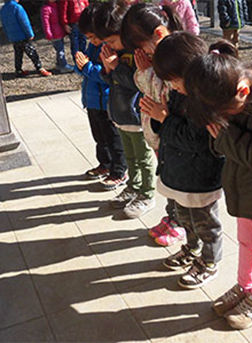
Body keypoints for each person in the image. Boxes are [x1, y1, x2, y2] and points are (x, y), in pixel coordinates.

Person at [184, 43, 252, 329]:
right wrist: (221, 136)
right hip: (244, 188)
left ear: (243, 91)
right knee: (246, 242)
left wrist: (225, 136)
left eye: (224, 114)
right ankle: (244, 287)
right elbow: (220, 139)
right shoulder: (229, 90)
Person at [140, 32, 225, 287]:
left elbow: (197, 140)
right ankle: (192, 249)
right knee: (185, 218)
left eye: (175, 81)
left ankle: (209, 262)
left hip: (199, 177)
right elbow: (169, 128)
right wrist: (159, 117)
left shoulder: (206, 99)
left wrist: (165, 118)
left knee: (205, 223)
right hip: (178, 172)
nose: (173, 87)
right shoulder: (181, 93)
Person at [121, 3, 185, 245]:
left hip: (175, 133)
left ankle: (182, 223)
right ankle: (173, 217)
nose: (143, 53)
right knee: (168, 179)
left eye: (142, 47)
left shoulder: (175, 57)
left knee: (179, 182)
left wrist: (145, 73)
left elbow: (164, 93)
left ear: (158, 34)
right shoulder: (159, 54)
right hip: (163, 133)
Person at [93, 2, 157, 219]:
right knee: (130, 157)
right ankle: (133, 186)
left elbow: (137, 82)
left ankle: (147, 194)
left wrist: (116, 66)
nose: (110, 45)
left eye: (111, 40)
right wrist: (107, 69)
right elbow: (112, 80)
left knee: (143, 158)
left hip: (137, 116)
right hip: (120, 115)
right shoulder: (117, 52)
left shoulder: (137, 53)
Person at [75, 4, 128, 183]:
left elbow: (106, 74)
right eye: (88, 38)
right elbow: (84, 67)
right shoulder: (92, 46)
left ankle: (119, 170)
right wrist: (81, 65)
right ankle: (105, 164)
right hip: (91, 100)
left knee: (113, 138)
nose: (92, 41)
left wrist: (87, 67)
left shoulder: (110, 46)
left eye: (93, 37)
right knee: (99, 137)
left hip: (106, 100)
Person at [0, 0, 52, 77]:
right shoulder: (17, 7)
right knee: (32, 52)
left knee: (18, 53)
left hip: (13, 37)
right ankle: (39, 67)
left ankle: (18, 70)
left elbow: (3, 25)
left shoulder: (2, 10)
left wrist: (8, 35)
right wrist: (30, 33)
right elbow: (24, 22)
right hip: (22, 35)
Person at [41, 0, 74, 73]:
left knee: (60, 49)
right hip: (54, 34)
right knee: (60, 50)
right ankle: (63, 66)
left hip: (59, 32)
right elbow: (46, 23)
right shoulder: (46, 9)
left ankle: (59, 64)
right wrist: (48, 34)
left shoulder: (56, 5)